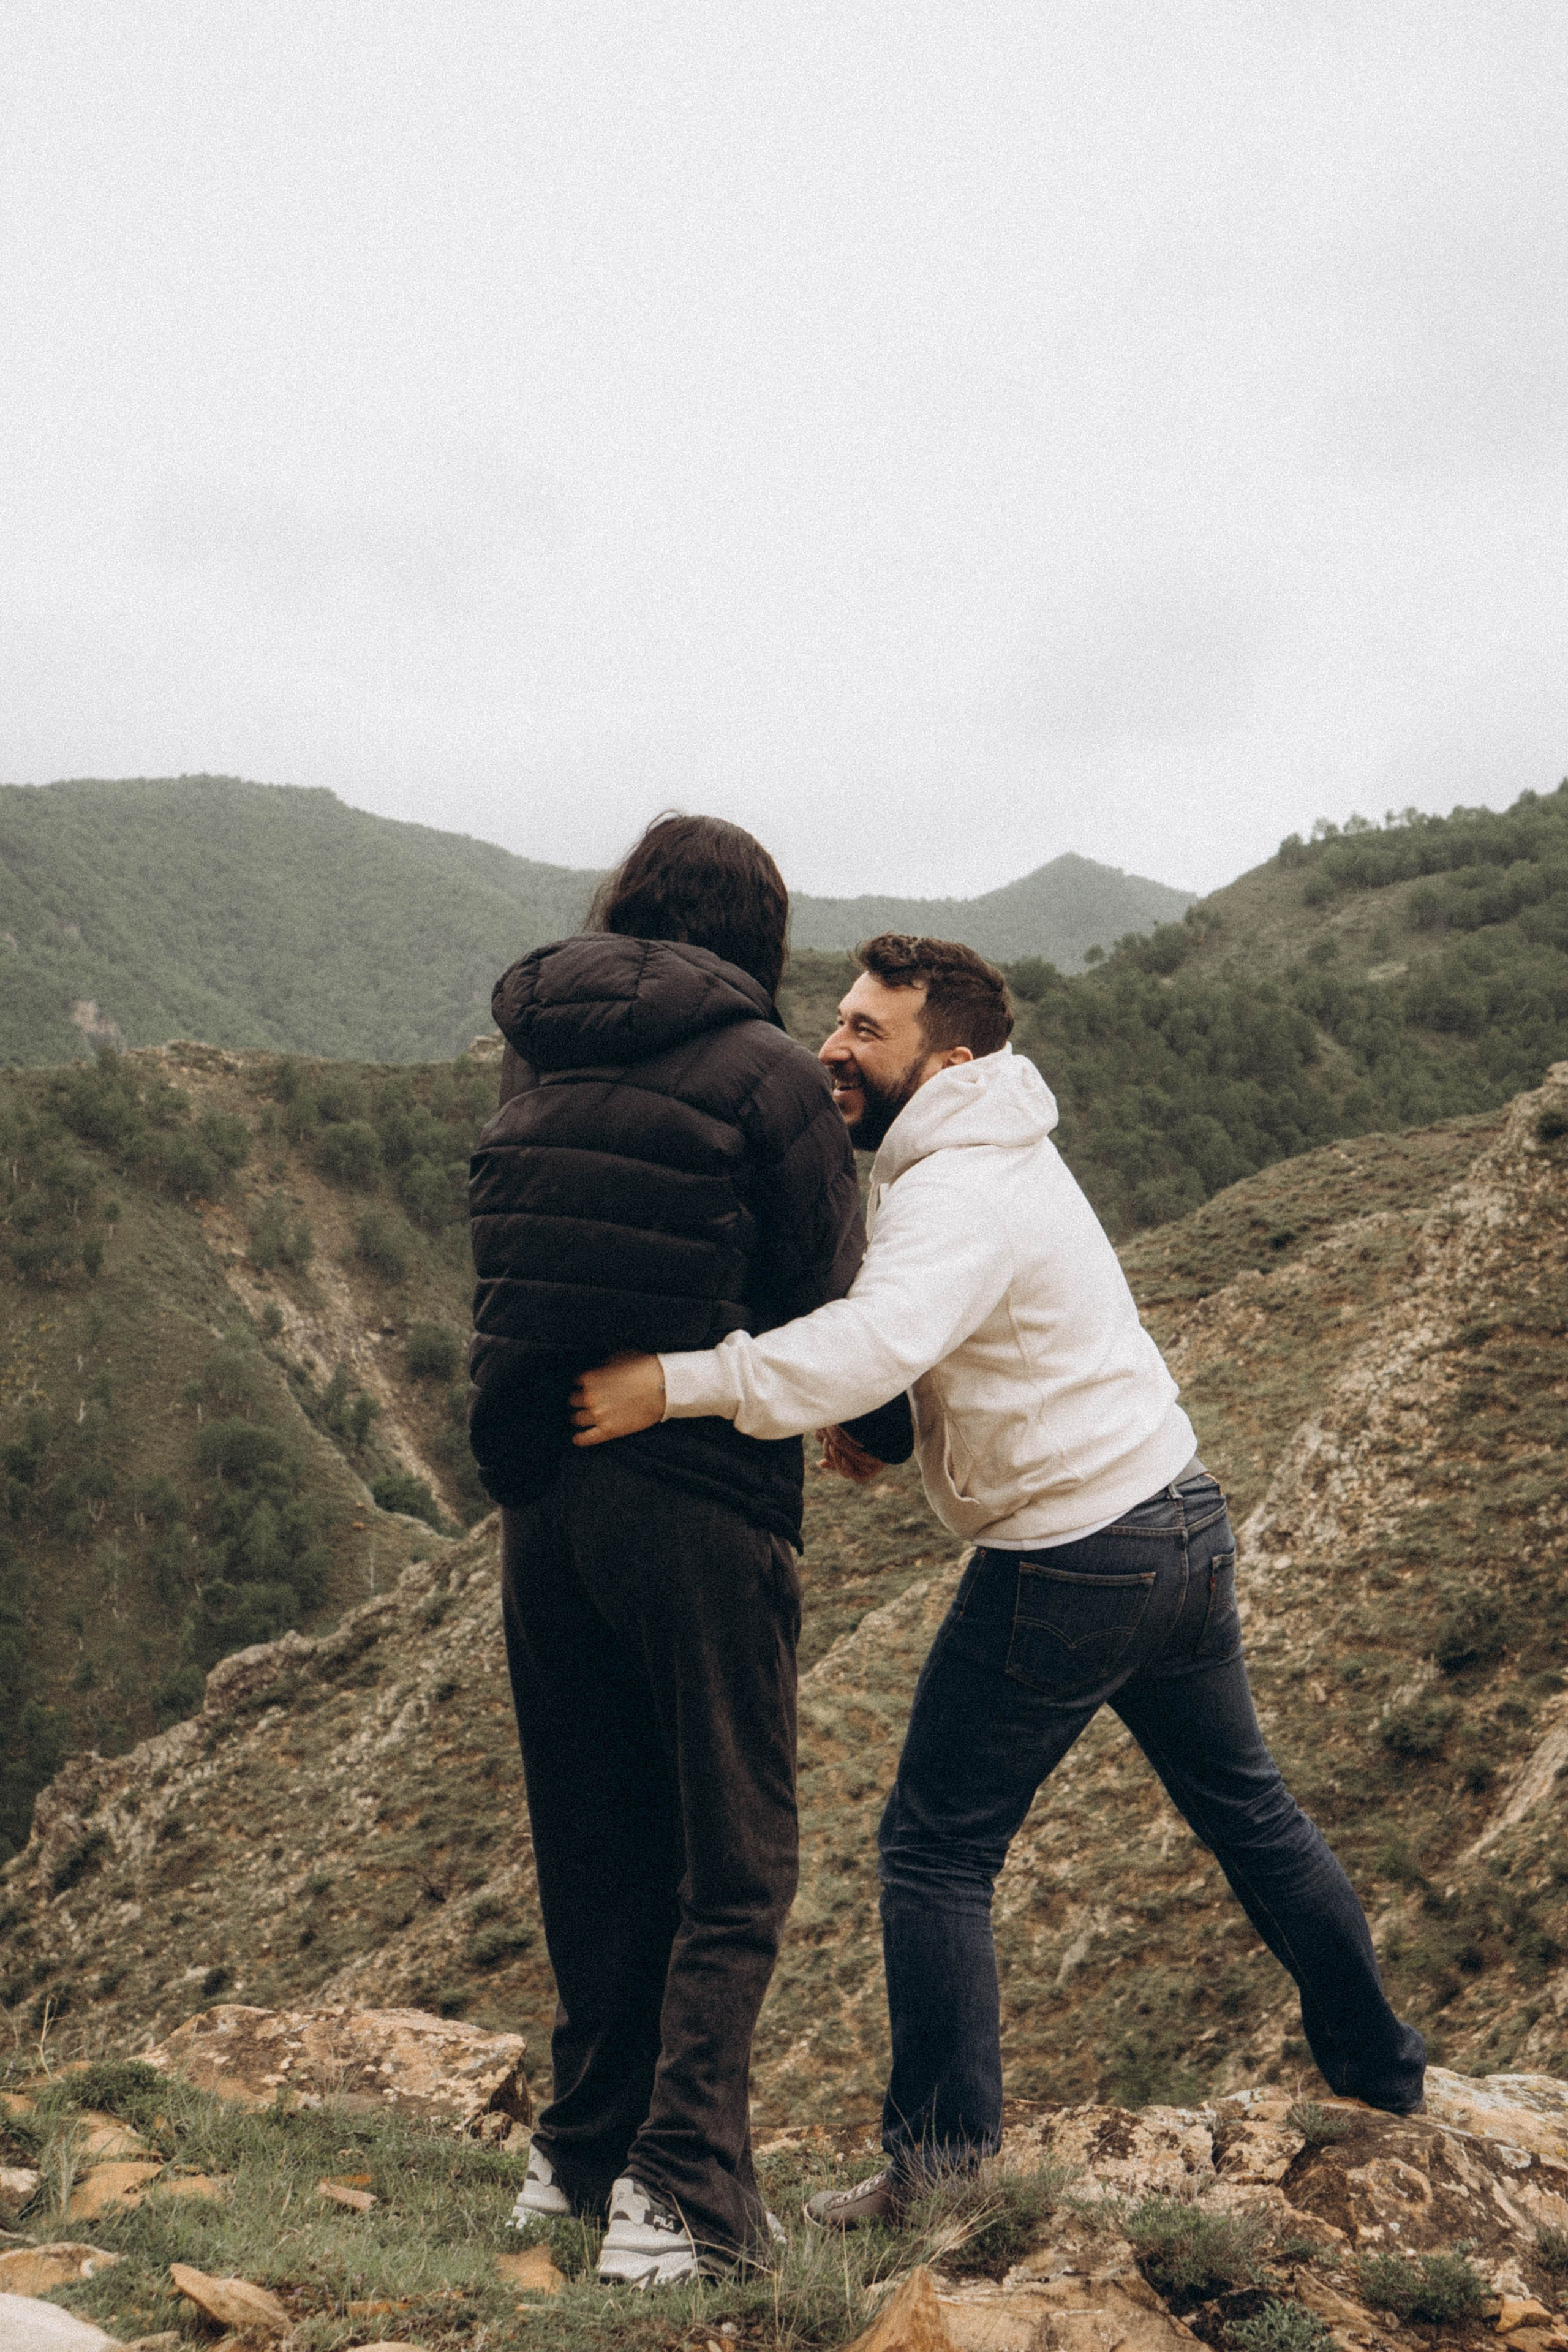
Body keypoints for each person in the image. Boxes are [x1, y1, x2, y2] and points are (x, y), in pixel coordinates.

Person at [570, 931, 1427, 2224]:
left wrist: (671, 1386)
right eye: (837, 1019)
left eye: (867, 1031)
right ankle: (1382, 2074)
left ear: (948, 1057)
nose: (832, 1048)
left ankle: (940, 2172)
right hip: (1175, 1514)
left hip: (1073, 1553)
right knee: (1248, 1812)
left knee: (932, 1849)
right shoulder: (997, 1147)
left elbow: (875, 1337)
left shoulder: (956, 1184)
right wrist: (897, 1417)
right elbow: (956, 1338)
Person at [466, 817, 909, 2286]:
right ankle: (684, 2195)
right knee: (733, 1859)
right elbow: (825, 1293)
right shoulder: (771, 1074)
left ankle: (576, 2162)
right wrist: (879, 1431)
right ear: (758, 940)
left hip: (543, 1497)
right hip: (699, 1500)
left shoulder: (539, 1048)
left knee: (594, 1843)